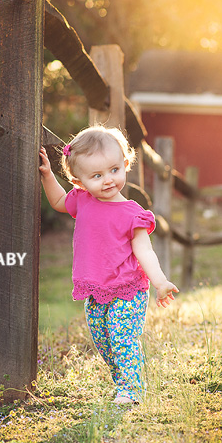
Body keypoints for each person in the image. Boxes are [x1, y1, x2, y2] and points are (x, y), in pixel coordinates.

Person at [39, 125, 178, 405]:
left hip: (128, 290)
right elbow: (56, 201)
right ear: (79, 181)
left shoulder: (133, 214)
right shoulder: (82, 201)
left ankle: (132, 389)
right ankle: (124, 383)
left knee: (122, 337)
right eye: (97, 176)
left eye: (114, 170)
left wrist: (160, 282)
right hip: (96, 290)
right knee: (104, 342)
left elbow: (144, 251)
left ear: (125, 164)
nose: (108, 180)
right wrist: (46, 175)